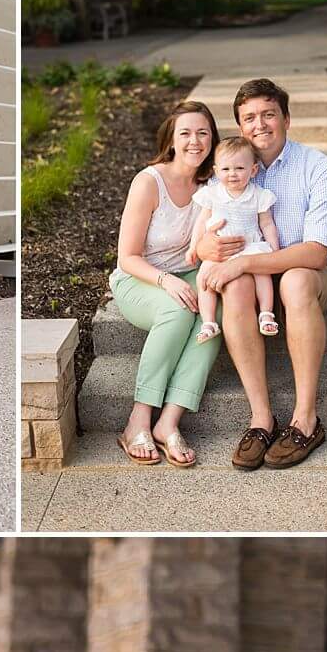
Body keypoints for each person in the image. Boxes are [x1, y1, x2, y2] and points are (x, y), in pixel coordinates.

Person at [192, 78, 327, 470]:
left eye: (268, 114)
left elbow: (316, 251)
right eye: (249, 118)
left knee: (291, 279)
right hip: (252, 281)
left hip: (309, 275)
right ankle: (262, 418)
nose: (260, 124)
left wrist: (243, 261)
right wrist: (207, 249)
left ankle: (306, 420)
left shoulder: (318, 168)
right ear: (241, 127)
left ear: (286, 119)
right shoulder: (232, 167)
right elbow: (202, 236)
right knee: (236, 285)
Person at [107, 101, 221, 468]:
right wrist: (166, 280)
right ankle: (138, 420)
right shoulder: (148, 182)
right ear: (171, 140)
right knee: (177, 311)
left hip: (189, 274)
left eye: (203, 132)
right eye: (185, 133)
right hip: (140, 278)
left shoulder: (215, 182)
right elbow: (128, 257)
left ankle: (169, 422)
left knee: (211, 318)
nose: (194, 141)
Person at [191, 136, 281, 345]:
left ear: (253, 170)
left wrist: (274, 250)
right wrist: (193, 247)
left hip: (250, 247)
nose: (232, 174)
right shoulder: (212, 193)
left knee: (263, 275)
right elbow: (201, 222)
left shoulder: (259, 195)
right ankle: (209, 322)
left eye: (240, 168)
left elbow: (267, 224)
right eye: (226, 169)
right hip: (220, 249)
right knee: (203, 278)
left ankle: (266, 314)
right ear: (216, 171)